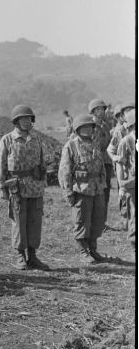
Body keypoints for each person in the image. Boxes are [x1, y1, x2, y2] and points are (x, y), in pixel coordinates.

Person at [0, 105, 49, 270]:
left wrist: (43, 180)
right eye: (22, 119)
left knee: (35, 222)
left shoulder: (37, 139)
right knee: (19, 222)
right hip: (17, 187)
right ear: (16, 121)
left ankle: (32, 256)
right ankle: (20, 255)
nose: (26, 121)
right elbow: (0, 164)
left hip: (35, 187)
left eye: (28, 118)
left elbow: (42, 162)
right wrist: (1, 186)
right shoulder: (7, 140)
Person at [58, 114, 107, 263]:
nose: (87, 129)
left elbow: (102, 168)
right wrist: (68, 192)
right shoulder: (71, 146)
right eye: (84, 127)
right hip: (81, 190)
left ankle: (93, 249)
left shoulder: (95, 145)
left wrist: (102, 184)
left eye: (90, 127)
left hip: (97, 190)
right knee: (81, 221)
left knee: (97, 221)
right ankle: (83, 251)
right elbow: (65, 171)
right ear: (77, 129)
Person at [88, 98, 113, 229]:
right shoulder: (89, 126)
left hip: (106, 162)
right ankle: (93, 222)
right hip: (94, 163)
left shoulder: (105, 125)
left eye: (102, 109)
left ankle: (102, 222)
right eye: (97, 109)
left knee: (106, 191)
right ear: (92, 111)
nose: (101, 111)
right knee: (94, 191)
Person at [115, 109, 136, 248]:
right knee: (134, 213)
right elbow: (120, 165)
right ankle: (135, 241)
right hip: (132, 183)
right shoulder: (126, 141)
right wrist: (122, 186)